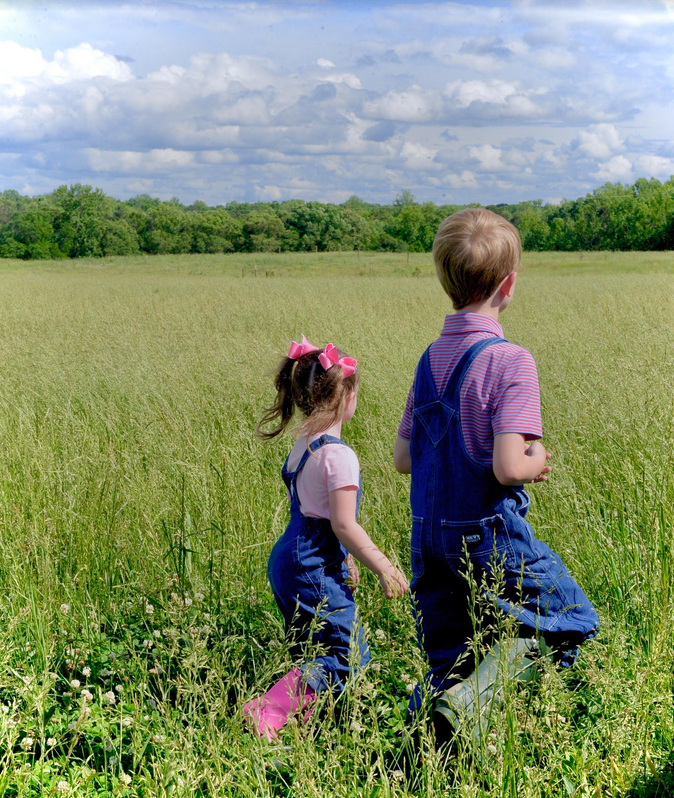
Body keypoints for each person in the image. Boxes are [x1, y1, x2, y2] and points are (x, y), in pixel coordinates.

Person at [393, 208, 599, 737]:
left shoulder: (429, 359)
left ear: (445, 281)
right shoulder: (511, 360)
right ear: (508, 284)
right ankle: (473, 705)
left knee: (449, 660)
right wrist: (538, 460)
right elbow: (509, 467)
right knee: (570, 619)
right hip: (488, 535)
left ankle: (422, 748)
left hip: (427, 537)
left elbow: (404, 459)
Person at [244, 335, 408, 741]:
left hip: (290, 557)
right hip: (311, 562)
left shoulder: (302, 447)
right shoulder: (339, 455)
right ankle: (267, 711)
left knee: (311, 647)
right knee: (345, 653)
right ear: (345, 397)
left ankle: (299, 726)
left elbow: (311, 509)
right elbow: (343, 525)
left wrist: (345, 559)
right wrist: (383, 566)